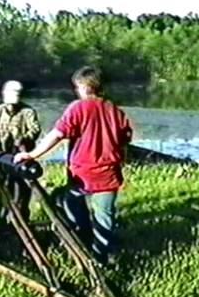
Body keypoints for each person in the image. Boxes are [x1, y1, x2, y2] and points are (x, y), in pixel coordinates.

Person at [13, 67, 133, 265]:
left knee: (71, 204)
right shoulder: (115, 110)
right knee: (105, 219)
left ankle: (82, 242)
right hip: (108, 174)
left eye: (77, 86)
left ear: (85, 86)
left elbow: (57, 134)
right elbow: (124, 142)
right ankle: (101, 258)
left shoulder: (78, 108)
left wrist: (33, 154)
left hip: (82, 174)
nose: (76, 91)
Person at [0, 80, 41, 226]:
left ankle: (20, 225)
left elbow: (35, 130)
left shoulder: (28, 112)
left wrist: (24, 138)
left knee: (20, 197)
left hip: (19, 160)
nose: (11, 107)